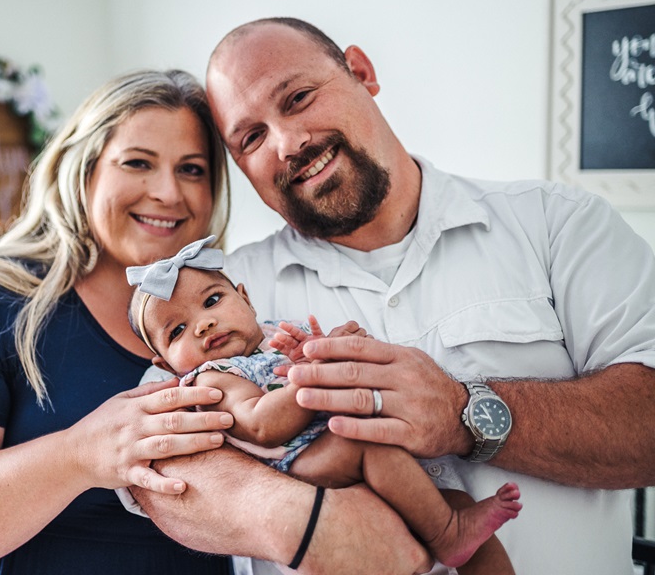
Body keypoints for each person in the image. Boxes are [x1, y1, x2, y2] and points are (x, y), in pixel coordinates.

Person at [129, 16, 655, 575]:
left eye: (300, 97)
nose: (288, 144)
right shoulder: (218, 296)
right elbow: (150, 471)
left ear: (361, 72)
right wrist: (312, 525)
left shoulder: (558, 225)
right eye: (252, 138)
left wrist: (464, 413)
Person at [0, 69, 243, 575]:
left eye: (192, 170)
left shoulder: (228, 315)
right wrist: (80, 455)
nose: (169, 192)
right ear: (84, 171)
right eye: (138, 163)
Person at [127, 235, 519, 574]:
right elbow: (262, 425)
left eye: (212, 300)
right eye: (177, 330)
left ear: (245, 300)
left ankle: (451, 531)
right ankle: (446, 536)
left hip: (331, 447)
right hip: (297, 465)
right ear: (165, 365)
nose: (203, 324)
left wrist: (339, 349)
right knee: (368, 446)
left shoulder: (275, 336)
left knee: (456, 505)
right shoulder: (213, 377)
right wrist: (311, 373)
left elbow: (325, 369)